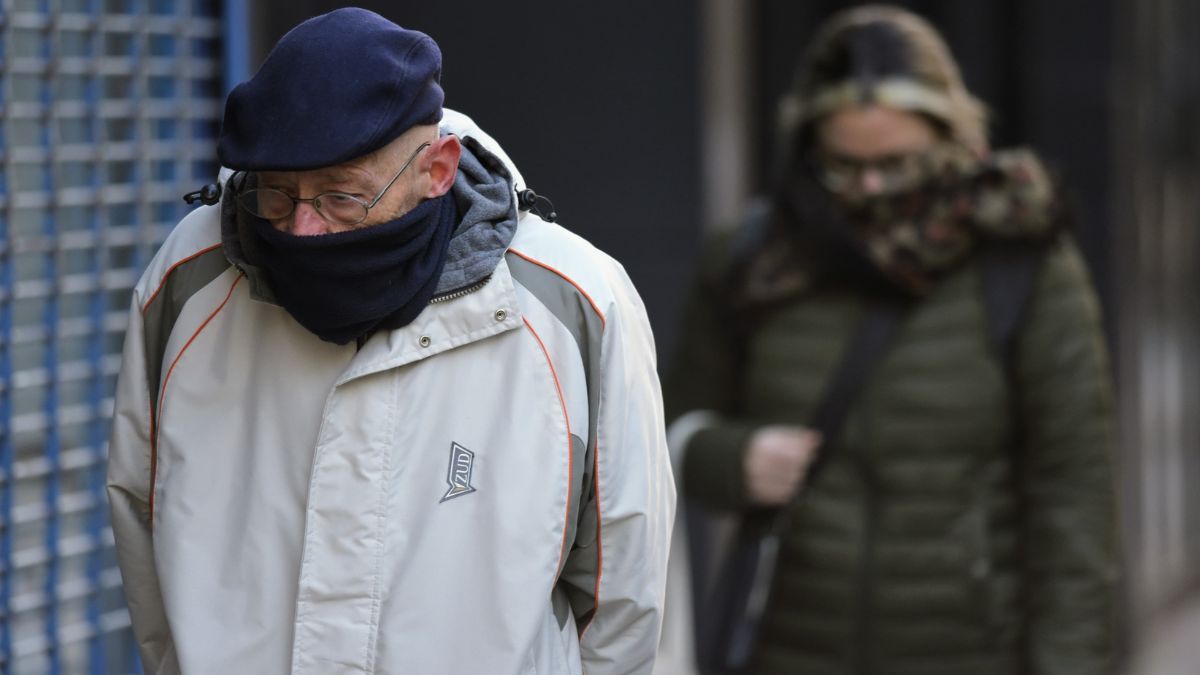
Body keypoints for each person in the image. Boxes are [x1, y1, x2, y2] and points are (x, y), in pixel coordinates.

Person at [106, 8, 675, 674]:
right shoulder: (188, 277)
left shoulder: (576, 300)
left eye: (342, 197)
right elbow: (141, 522)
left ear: (437, 168)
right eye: (278, 197)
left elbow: (623, 592)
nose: (304, 230)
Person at [666, 5, 1117, 674]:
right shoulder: (753, 257)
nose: (872, 187)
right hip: (790, 646)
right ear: (808, 147)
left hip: (973, 652)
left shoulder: (1022, 259)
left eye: (897, 163)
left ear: (954, 139)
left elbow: (1074, 491)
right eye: (845, 165)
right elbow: (666, 430)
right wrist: (732, 457)